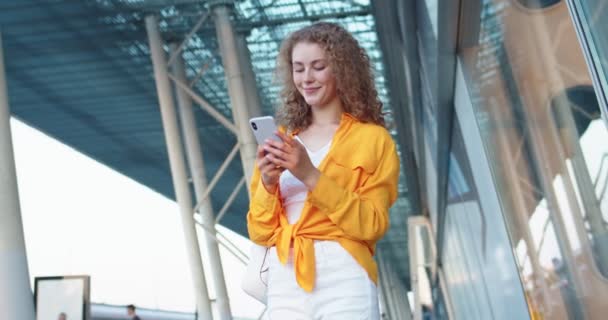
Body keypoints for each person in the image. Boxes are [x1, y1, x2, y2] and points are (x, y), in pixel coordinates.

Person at [247, 22, 400, 319]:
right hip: (284, 273)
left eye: (318, 66)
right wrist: (267, 182)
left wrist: (310, 174)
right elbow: (260, 231)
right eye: (299, 68)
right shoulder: (281, 139)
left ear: (342, 70)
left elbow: (372, 225)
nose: (307, 78)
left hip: (345, 273)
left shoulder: (373, 139)